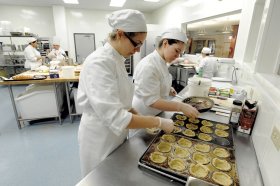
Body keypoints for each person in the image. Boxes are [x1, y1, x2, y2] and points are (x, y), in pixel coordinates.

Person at [77, 9, 176, 178]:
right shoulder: (99, 63)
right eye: (136, 43)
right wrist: (158, 121)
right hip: (99, 137)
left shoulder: (118, 60)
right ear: (121, 34)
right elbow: (115, 115)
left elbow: (123, 104)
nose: (138, 50)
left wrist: (140, 118)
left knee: (115, 176)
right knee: (100, 179)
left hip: (116, 134)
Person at [132, 28, 200, 117]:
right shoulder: (148, 66)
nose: (177, 56)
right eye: (176, 51)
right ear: (165, 43)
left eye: (180, 53)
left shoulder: (162, 62)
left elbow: (159, 80)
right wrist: (181, 106)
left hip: (157, 113)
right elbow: (152, 101)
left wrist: (168, 89)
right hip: (144, 115)